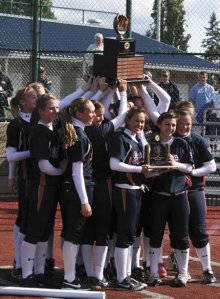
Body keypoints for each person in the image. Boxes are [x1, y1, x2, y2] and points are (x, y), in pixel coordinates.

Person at [20, 93, 66, 287]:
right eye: (51, 108)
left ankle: (39, 271)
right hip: (41, 186)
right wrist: (62, 169)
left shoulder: (53, 128)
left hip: (51, 187)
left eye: (57, 107)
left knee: (45, 231)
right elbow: (44, 165)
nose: (55, 111)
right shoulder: (40, 131)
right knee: (35, 230)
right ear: (40, 110)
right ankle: (26, 274)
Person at [109, 106, 157, 291]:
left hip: (136, 190)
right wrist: (140, 170)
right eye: (136, 120)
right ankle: (122, 278)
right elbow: (114, 164)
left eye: (143, 122)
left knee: (130, 235)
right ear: (127, 120)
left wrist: (160, 171)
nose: (139, 124)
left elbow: (144, 161)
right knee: (125, 235)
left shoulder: (137, 140)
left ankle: (126, 274)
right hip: (125, 190)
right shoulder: (121, 138)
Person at [146, 111, 194, 287]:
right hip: (159, 196)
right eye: (167, 124)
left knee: (181, 235)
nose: (171, 128)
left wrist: (176, 165)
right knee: (155, 234)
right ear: (159, 125)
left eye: (173, 125)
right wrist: (155, 171)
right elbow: (146, 171)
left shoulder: (181, 143)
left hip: (179, 196)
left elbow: (190, 167)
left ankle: (182, 273)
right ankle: (153, 272)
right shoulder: (151, 142)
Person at [175, 109, 217, 284]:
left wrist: (193, 172)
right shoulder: (168, 139)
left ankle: (207, 270)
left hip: (195, 190)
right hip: (174, 193)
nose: (184, 127)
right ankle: (182, 272)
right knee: (180, 233)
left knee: (199, 231)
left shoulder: (198, 140)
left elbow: (211, 166)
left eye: (188, 124)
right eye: (181, 123)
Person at [59, 97, 95, 289]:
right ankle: (69, 278)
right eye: (89, 111)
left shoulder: (77, 133)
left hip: (70, 189)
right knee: (73, 234)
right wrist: (84, 201)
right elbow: (77, 171)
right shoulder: (79, 136)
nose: (93, 114)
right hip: (76, 190)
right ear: (78, 113)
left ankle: (69, 275)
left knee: (69, 233)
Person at [6, 86, 38, 282]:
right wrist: (11, 177)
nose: (37, 98)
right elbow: (11, 156)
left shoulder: (43, 120)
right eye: (32, 96)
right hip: (27, 177)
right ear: (22, 102)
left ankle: (38, 263)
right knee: (23, 218)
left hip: (44, 178)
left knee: (38, 221)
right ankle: (19, 262)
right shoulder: (16, 124)